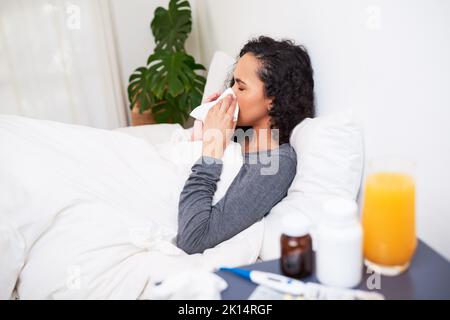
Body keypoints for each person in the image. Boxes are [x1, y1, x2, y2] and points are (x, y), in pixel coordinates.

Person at [177, 36, 315, 254]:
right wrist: (204, 124)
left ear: (274, 99)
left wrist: (212, 147)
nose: (229, 94)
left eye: (240, 88)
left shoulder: (275, 166)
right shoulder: (240, 134)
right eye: (232, 83)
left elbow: (192, 239)